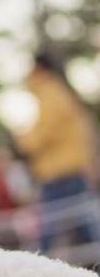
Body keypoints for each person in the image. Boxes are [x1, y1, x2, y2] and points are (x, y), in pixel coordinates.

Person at [13, 52, 100, 253]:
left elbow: (43, 133)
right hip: (69, 170)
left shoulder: (51, 94)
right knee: (83, 225)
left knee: (48, 230)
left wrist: (22, 142)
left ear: (39, 68)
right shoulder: (60, 92)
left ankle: (36, 270)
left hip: (59, 172)